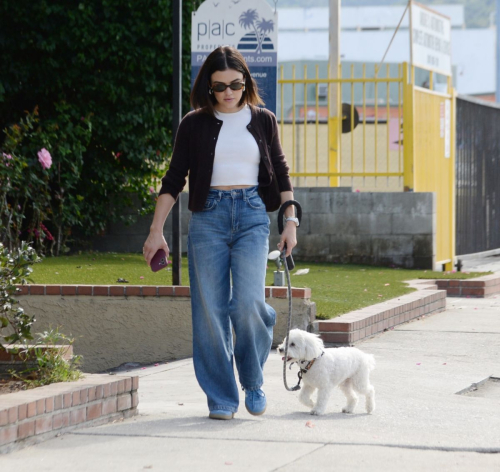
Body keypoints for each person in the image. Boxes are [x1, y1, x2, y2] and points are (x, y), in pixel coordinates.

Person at [143, 46, 298, 420]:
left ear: (245, 82)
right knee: (210, 312)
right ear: (208, 87)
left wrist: (291, 220)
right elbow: (174, 178)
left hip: (252, 217)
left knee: (246, 304)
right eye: (219, 86)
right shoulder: (193, 123)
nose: (229, 92)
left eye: (236, 84)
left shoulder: (264, 119)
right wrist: (155, 230)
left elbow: (281, 169)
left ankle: (252, 378)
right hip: (208, 218)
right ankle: (222, 398)